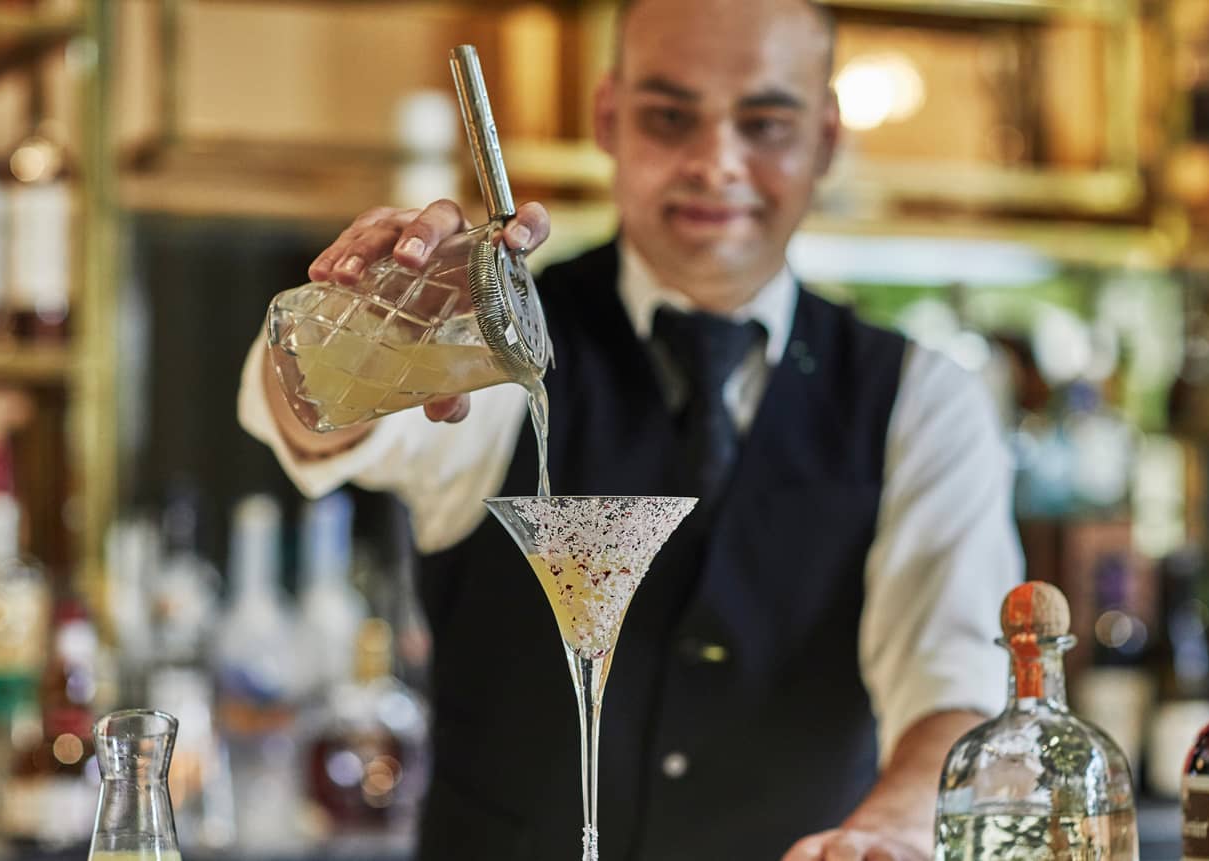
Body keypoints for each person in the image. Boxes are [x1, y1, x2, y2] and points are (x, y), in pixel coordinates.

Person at [238, 0, 1022, 857]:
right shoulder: (504, 343)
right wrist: (360, 330)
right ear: (610, 118)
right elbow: (311, 424)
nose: (716, 163)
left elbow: (959, 679)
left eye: (765, 122)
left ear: (826, 139)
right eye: (670, 116)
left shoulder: (919, 399)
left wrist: (889, 833)